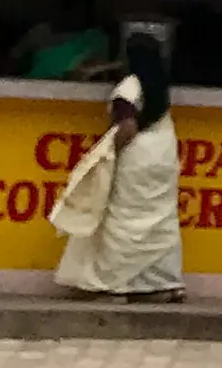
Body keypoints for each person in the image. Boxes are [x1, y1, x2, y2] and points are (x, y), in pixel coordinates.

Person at [49, 29, 184, 304]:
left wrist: (106, 153)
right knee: (158, 218)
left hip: (136, 157)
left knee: (122, 219)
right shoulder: (158, 84)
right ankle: (163, 284)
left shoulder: (130, 87)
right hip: (162, 154)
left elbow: (128, 127)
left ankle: (114, 285)